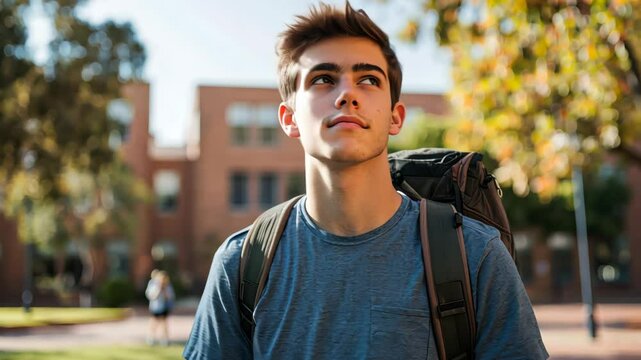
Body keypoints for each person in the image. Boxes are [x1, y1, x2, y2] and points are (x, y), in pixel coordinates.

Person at [184, 2, 549, 359]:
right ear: (289, 118)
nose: (347, 94)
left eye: (369, 80)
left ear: (395, 117)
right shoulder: (242, 263)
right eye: (323, 79)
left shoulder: (475, 255)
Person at [145, 269, 175, 346]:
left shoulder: (167, 285)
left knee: (164, 323)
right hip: (155, 307)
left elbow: (170, 296)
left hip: (164, 307)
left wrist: (164, 290)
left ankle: (164, 339)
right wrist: (159, 288)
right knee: (153, 323)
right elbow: (151, 296)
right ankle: (151, 338)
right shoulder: (153, 284)